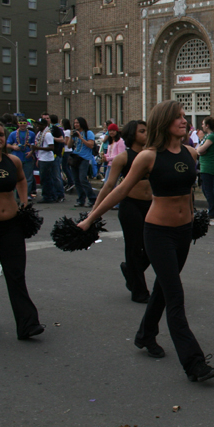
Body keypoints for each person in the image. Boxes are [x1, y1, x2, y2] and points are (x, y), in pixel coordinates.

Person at [79, 101, 214, 383]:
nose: (184, 121)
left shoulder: (191, 152)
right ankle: (194, 363)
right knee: (175, 294)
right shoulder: (148, 157)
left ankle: (144, 335)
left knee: (163, 289)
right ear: (164, 122)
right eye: (178, 117)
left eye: (184, 117)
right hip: (158, 233)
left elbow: (189, 194)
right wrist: (90, 219)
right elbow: (120, 191)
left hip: (184, 231)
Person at [0, 120, 44, 339]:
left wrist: (24, 202)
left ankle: (28, 324)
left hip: (11, 227)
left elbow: (21, 180)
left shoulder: (13, 161)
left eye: (1, 134)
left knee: (16, 275)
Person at [92, 120, 152, 303]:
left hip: (151, 206)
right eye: (142, 131)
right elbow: (109, 185)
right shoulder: (123, 158)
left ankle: (130, 269)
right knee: (134, 247)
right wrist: (94, 212)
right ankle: (139, 291)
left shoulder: (152, 155)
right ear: (132, 134)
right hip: (130, 206)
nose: (146, 134)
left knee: (151, 247)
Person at [67, 117, 99, 207]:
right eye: (75, 123)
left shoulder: (88, 133)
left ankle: (92, 199)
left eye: (77, 123)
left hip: (84, 158)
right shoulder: (75, 133)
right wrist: (71, 136)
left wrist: (81, 138)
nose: (76, 124)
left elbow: (91, 145)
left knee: (83, 179)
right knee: (76, 180)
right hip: (75, 158)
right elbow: (69, 145)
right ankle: (81, 200)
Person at [196, 117, 214, 223]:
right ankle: (213, 209)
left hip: (209, 166)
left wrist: (200, 151)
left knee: (209, 190)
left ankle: (213, 211)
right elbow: (199, 150)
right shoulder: (207, 136)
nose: (202, 126)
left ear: (207, 125)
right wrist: (199, 151)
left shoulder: (212, 136)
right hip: (204, 165)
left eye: (203, 124)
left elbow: (201, 149)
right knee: (206, 189)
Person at [6, 115, 36, 199]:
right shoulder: (13, 134)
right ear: (18, 123)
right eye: (20, 123)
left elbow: (34, 145)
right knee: (16, 177)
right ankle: (18, 195)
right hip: (17, 158)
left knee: (28, 177)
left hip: (28, 158)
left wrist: (31, 152)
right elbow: (7, 144)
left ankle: (27, 195)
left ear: (26, 124)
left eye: (24, 123)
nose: (22, 124)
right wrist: (13, 147)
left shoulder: (31, 133)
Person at [33, 118, 61, 204]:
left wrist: (38, 148)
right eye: (37, 124)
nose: (37, 126)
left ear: (44, 126)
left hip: (47, 159)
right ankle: (50, 195)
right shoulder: (40, 134)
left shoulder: (47, 134)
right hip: (41, 158)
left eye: (39, 125)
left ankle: (48, 196)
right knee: (44, 178)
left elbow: (51, 147)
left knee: (46, 179)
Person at [61, 118, 75, 192]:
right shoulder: (68, 131)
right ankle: (70, 181)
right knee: (66, 167)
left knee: (65, 167)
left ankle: (71, 181)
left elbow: (66, 142)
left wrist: (59, 140)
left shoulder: (66, 132)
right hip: (68, 151)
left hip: (66, 151)